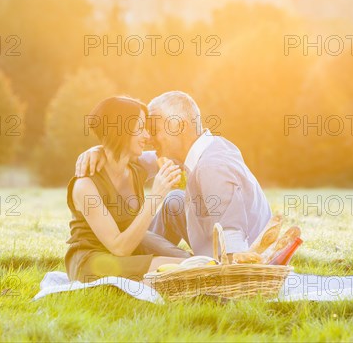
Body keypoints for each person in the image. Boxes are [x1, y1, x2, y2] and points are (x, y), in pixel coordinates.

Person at [76, 91, 271, 263]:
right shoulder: (203, 148)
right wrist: (101, 150)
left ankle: (158, 260)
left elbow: (232, 232)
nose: (149, 140)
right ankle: (138, 252)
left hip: (242, 255)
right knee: (173, 202)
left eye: (154, 130)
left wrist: (234, 275)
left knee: (160, 215)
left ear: (178, 126)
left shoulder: (212, 167)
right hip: (214, 233)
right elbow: (134, 160)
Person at [65, 95, 190, 283]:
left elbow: (179, 155)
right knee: (179, 268)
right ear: (120, 131)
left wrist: (97, 149)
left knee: (193, 262)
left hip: (128, 253)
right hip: (93, 262)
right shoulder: (86, 186)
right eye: (140, 128)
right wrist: (155, 197)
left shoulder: (136, 169)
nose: (147, 137)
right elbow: (119, 248)